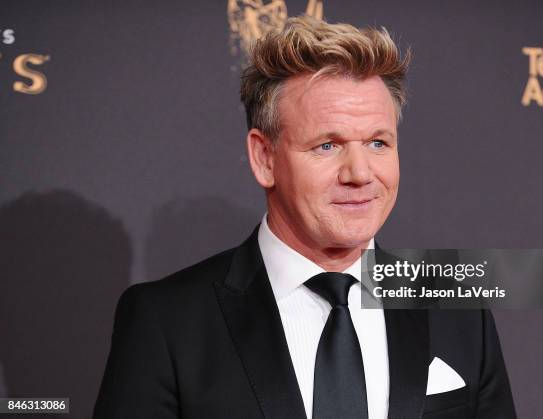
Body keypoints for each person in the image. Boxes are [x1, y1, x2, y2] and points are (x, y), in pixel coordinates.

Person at [93, 16, 516, 419]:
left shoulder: (459, 311)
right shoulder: (166, 322)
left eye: (377, 143)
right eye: (327, 146)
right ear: (264, 158)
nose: (360, 174)